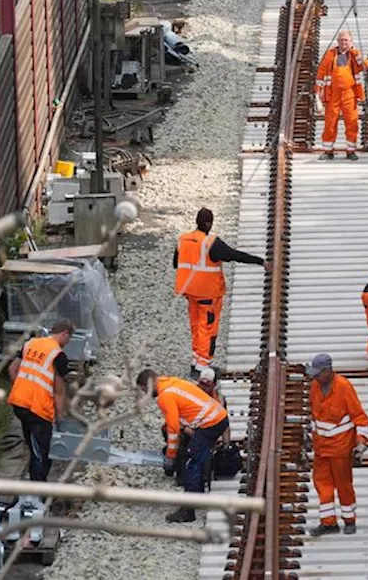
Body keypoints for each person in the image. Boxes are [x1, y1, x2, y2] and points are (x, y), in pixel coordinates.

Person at [174, 208, 269, 375]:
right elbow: (234, 255)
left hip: (190, 293)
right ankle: (203, 366)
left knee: (196, 326)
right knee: (208, 329)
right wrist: (260, 261)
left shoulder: (182, 240)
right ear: (208, 223)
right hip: (208, 295)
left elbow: (177, 263)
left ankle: (196, 361)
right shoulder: (211, 242)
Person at [137, 368, 230, 523]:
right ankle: (197, 496)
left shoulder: (164, 396)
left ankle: (188, 511)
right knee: (197, 459)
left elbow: (173, 429)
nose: (146, 394)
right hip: (217, 417)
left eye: (145, 389)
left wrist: (170, 457)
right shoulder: (171, 381)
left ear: (151, 382)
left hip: (210, 424)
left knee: (191, 463)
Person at [306, 353, 368, 537]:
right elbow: (314, 414)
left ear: (328, 371)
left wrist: (361, 442)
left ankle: (349, 520)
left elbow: (360, 417)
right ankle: (328, 522)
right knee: (322, 484)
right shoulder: (315, 387)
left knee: (344, 485)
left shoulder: (344, 387)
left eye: (318, 373)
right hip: (321, 447)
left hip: (340, 448)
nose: (315, 377)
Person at [7, 321, 73, 481]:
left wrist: (22, 388)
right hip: (38, 409)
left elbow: (12, 369)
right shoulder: (58, 355)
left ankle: (34, 484)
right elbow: (58, 391)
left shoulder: (31, 344)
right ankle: (37, 491)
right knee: (42, 454)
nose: (67, 344)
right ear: (64, 334)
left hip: (19, 403)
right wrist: (60, 416)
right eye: (68, 339)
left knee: (33, 447)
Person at [315, 29, 368, 160]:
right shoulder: (330, 54)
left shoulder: (354, 54)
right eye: (341, 40)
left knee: (351, 122)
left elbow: (365, 65)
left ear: (351, 42)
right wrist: (317, 95)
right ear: (337, 41)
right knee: (330, 122)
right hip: (332, 94)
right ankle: (328, 151)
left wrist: (355, 51)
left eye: (346, 40)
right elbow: (320, 74)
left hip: (349, 94)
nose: (343, 42)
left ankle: (351, 151)